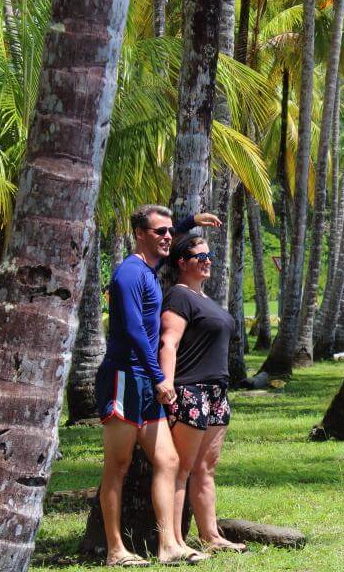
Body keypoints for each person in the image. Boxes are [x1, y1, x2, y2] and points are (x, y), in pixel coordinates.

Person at [94, 205, 220, 567]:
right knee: (117, 465)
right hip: (123, 378)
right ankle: (116, 550)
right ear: (139, 234)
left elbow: (171, 234)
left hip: (145, 383)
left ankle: (169, 544)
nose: (168, 237)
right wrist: (159, 377)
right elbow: (135, 333)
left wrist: (192, 222)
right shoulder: (129, 275)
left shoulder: (150, 270)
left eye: (169, 231)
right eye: (159, 232)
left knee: (168, 460)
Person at [160, 236, 248, 554]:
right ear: (182, 263)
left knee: (206, 468)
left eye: (209, 255)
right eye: (200, 256)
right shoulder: (179, 297)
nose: (207, 260)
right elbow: (168, 341)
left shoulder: (206, 299)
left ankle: (211, 536)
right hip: (190, 390)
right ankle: (175, 542)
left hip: (216, 392)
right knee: (181, 468)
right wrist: (166, 383)